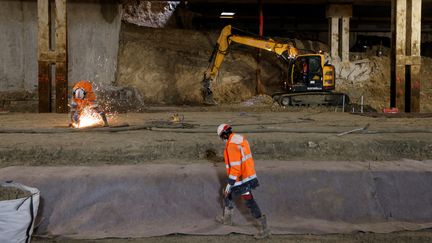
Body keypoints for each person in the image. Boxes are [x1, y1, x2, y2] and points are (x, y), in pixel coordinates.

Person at [216, 123, 270, 239]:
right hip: (248, 174)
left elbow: (235, 167)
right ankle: (227, 219)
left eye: (221, 138)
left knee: (248, 200)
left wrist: (230, 183)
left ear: (224, 136)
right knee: (227, 193)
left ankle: (263, 227)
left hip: (241, 178)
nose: (222, 140)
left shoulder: (231, 146)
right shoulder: (240, 139)